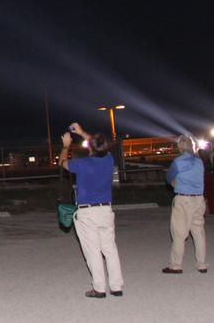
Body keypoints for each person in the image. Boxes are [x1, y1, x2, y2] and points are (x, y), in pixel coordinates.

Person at [60, 124, 124, 299]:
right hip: (106, 210)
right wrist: (82, 133)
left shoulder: (82, 164)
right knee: (110, 249)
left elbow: (62, 163)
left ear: (90, 148)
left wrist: (67, 145)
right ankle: (116, 286)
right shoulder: (109, 159)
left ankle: (99, 288)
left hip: (88, 213)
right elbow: (98, 145)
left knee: (92, 251)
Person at [163, 135, 208, 274]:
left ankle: (176, 265)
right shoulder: (199, 162)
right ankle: (202, 264)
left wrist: (173, 182)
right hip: (199, 199)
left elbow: (169, 177)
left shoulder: (178, 161)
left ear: (180, 146)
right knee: (198, 232)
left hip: (184, 199)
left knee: (179, 233)